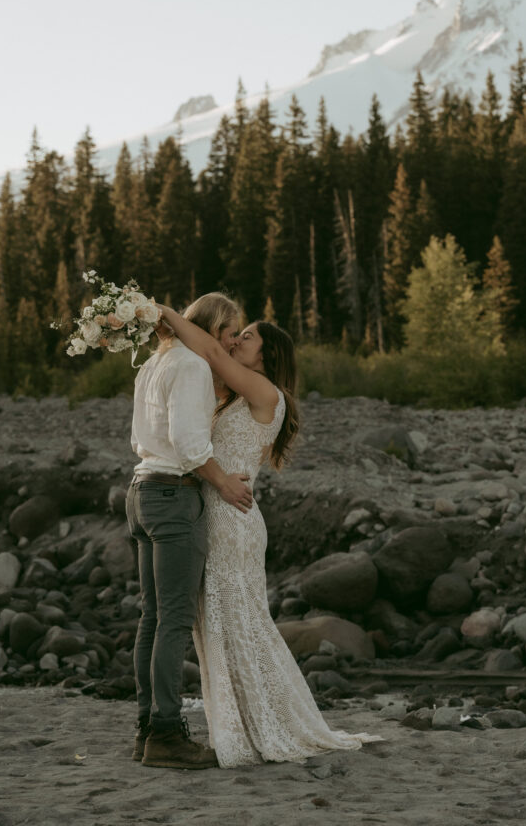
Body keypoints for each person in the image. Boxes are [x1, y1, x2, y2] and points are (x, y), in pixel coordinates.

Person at [158, 305, 382, 766]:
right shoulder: (237, 396)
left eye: (248, 337)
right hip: (220, 513)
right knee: (222, 624)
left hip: (231, 518)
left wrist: (164, 312)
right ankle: (247, 724)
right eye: (238, 334)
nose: (236, 340)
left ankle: (263, 726)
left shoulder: (266, 392)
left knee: (237, 624)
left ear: (268, 355)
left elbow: (210, 352)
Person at [127, 292, 253, 770]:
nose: (229, 344)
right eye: (228, 333)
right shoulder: (195, 368)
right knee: (174, 620)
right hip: (174, 497)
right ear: (212, 325)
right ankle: (164, 734)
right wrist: (223, 482)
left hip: (140, 490)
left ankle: (146, 730)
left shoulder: (153, 364)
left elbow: (140, 439)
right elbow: (187, 441)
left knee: (152, 617)